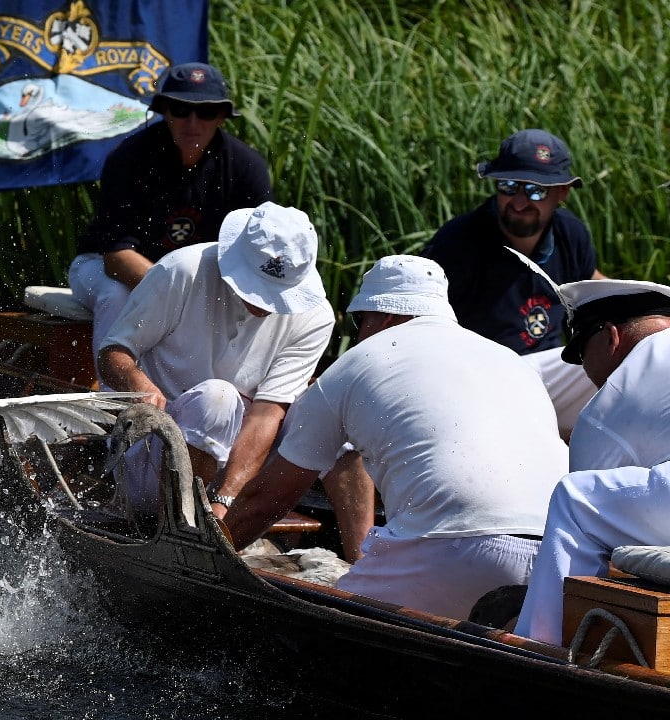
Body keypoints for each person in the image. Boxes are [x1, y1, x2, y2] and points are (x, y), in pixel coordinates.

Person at [223, 255, 568, 620]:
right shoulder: (512, 361)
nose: (358, 334)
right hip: (558, 557)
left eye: (360, 322)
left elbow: (268, 498)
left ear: (383, 317)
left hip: (455, 546)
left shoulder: (355, 363)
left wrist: (209, 555)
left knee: (313, 630)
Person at [98, 202, 332, 521]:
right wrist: (141, 386)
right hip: (152, 453)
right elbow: (112, 353)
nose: (263, 304)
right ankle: (179, 525)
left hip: (240, 463)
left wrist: (224, 504)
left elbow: (266, 414)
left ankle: (362, 559)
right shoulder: (182, 271)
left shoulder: (316, 318)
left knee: (337, 415)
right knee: (217, 399)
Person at [69, 61, 273, 372]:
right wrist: (178, 297)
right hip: (102, 266)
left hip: (195, 282)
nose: (193, 122)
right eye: (181, 109)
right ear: (166, 111)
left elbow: (255, 255)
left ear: (221, 117)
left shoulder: (247, 168)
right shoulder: (129, 158)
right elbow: (117, 258)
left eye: (205, 112)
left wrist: (190, 299)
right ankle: (114, 402)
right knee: (116, 296)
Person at [514, 279, 670, 645]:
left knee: (575, 500)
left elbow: (589, 538)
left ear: (611, 337)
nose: (584, 370)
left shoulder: (610, 402)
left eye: (581, 354)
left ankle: (541, 647)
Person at [421, 129, 604, 436]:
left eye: (535, 191)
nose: (519, 203)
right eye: (509, 186)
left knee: (632, 355)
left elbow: (592, 283)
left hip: (544, 374)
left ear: (562, 192)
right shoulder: (458, 243)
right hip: (475, 379)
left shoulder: (570, 234)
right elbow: (417, 319)